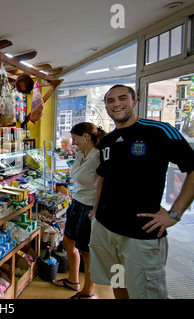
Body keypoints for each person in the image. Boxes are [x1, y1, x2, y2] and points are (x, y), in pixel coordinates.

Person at [89, 84, 194, 299]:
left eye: (122, 98)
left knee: (146, 293)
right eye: (110, 101)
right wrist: (95, 210)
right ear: (106, 107)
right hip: (106, 231)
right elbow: (103, 178)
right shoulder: (107, 141)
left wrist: (175, 213)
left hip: (140, 235)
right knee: (118, 282)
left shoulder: (158, 131)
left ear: (134, 102)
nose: (116, 104)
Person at [52, 122, 106, 299]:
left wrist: (97, 209)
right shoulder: (81, 153)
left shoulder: (98, 156)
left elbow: (103, 184)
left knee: (87, 251)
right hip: (76, 203)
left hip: (90, 207)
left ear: (86, 136)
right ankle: (72, 280)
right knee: (68, 242)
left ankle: (87, 292)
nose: (73, 143)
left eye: (75, 139)